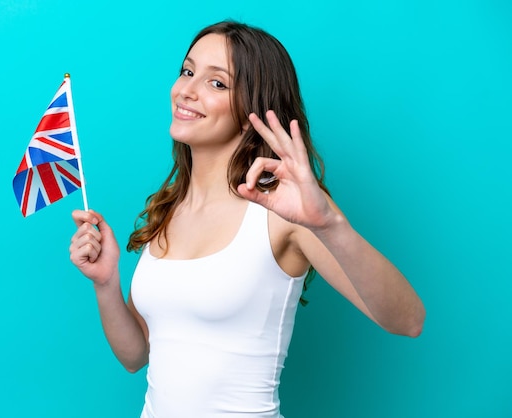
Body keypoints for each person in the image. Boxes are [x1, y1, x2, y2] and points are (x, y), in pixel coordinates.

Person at [69, 20, 425, 418]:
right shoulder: (170, 209)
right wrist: (106, 284)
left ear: (250, 112)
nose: (186, 89)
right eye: (188, 71)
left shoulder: (287, 210)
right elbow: (137, 355)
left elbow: (407, 320)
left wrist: (328, 223)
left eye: (216, 83)